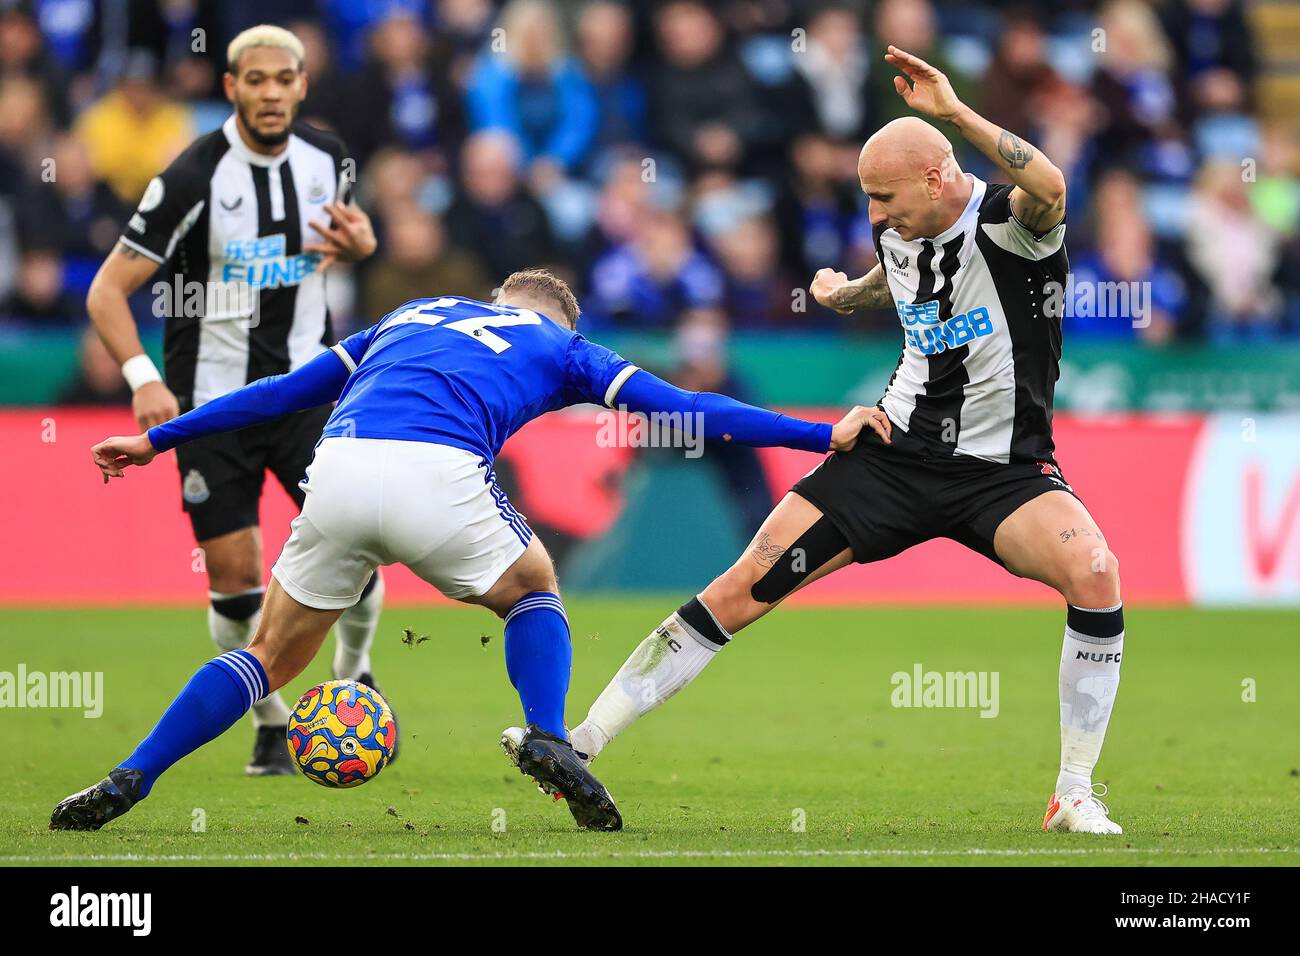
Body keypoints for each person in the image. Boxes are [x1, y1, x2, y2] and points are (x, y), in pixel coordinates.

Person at [533, 46, 1129, 836]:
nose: (875, 215)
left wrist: (951, 111)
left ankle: (1074, 794)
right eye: (867, 201)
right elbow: (898, 270)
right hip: (891, 456)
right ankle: (581, 743)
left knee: (1095, 572)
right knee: (743, 583)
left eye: (884, 197)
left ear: (935, 175)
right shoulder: (901, 231)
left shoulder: (1011, 225)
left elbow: (1050, 186)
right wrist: (848, 295)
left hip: (1004, 473)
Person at [51, 269, 881, 834]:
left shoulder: (412, 315)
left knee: (268, 653)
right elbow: (690, 410)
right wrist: (818, 434)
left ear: (494, 297)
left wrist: (158, 440)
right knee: (531, 587)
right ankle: (550, 735)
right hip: (436, 472)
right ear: (560, 318)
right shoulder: (562, 347)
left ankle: (133, 774)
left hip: (335, 469)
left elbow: (279, 394)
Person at [83, 25, 385, 777]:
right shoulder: (193, 176)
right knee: (235, 577)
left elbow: (351, 244)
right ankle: (271, 721)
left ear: (302, 84)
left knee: (359, 543)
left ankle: (353, 675)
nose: (272, 92)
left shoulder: (329, 161)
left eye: (285, 78)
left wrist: (364, 248)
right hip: (214, 402)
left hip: (311, 390)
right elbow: (105, 291)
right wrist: (142, 379)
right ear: (231, 88)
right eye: (256, 80)